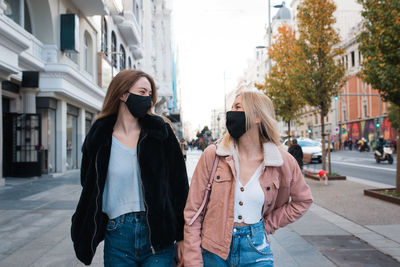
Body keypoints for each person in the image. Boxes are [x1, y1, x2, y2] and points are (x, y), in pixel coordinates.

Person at [71, 70, 189, 266]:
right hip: (117, 234)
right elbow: (89, 184)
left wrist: (183, 236)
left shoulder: (160, 132)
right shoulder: (99, 136)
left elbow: (179, 187)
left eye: (150, 95)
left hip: (159, 235)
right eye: (142, 92)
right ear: (122, 94)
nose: (148, 99)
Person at [183, 91, 313, 266]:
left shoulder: (281, 161)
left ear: (258, 116)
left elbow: (302, 201)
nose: (231, 113)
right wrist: (192, 259)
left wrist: (267, 226)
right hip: (214, 249)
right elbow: (192, 212)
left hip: (256, 250)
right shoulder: (214, 155)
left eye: (238, 107)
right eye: (231, 107)